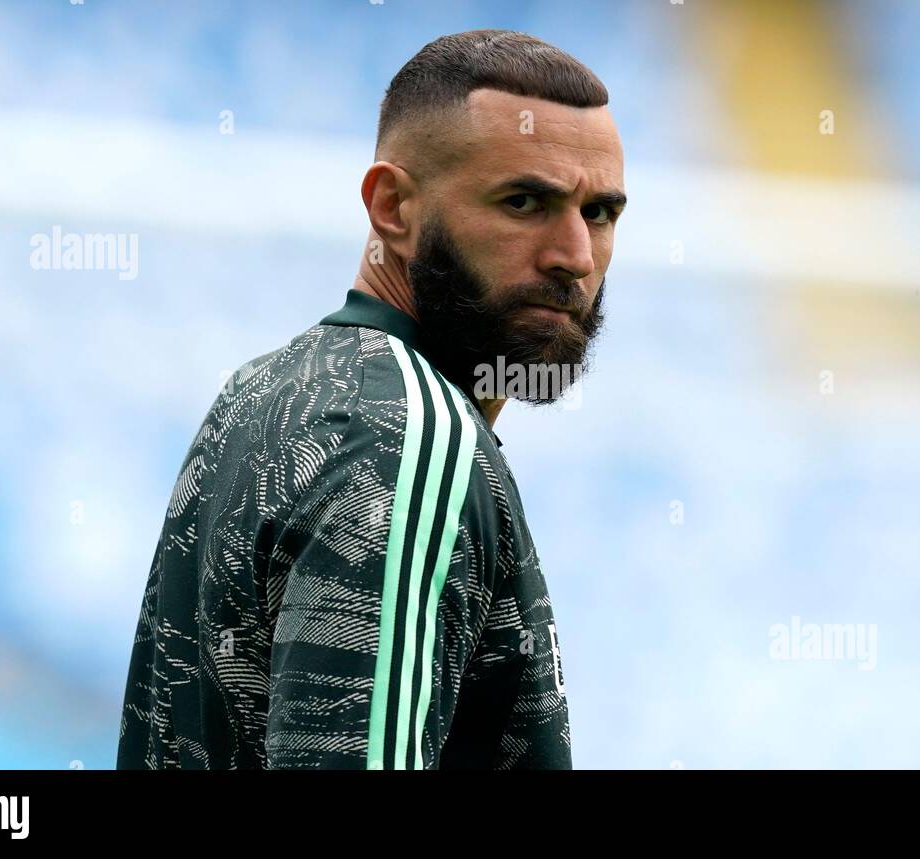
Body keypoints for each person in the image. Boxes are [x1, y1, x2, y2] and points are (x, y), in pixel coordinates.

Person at [117, 29, 625, 769]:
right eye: (524, 201)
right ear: (392, 206)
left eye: (600, 213)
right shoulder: (409, 438)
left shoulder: (260, 391)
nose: (574, 257)